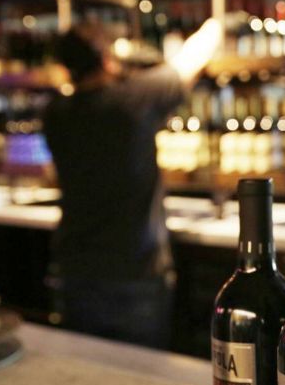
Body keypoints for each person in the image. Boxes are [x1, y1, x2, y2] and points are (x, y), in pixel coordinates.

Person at [44, 19, 221, 348]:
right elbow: (194, 56)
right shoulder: (134, 99)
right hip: (134, 271)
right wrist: (217, 21)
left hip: (75, 271)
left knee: (86, 375)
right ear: (106, 59)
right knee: (142, 378)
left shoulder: (55, 114)